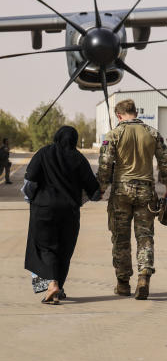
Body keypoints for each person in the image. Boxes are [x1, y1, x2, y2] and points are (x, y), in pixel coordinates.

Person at [98, 99, 167, 301]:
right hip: (146, 192)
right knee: (145, 236)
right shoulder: (152, 133)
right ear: (135, 112)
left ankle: (123, 283)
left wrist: (100, 188)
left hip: (121, 192)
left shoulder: (114, 135)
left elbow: (105, 165)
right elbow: (165, 162)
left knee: (121, 238)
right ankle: (143, 277)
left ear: (119, 115)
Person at [24, 126, 101, 304]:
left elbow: (31, 178)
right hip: (69, 212)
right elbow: (93, 190)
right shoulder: (79, 158)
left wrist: (31, 198)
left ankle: (52, 285)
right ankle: (58, 289)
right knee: (64, 250)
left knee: (45, 248)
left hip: (43, 210)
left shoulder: (43, 153)